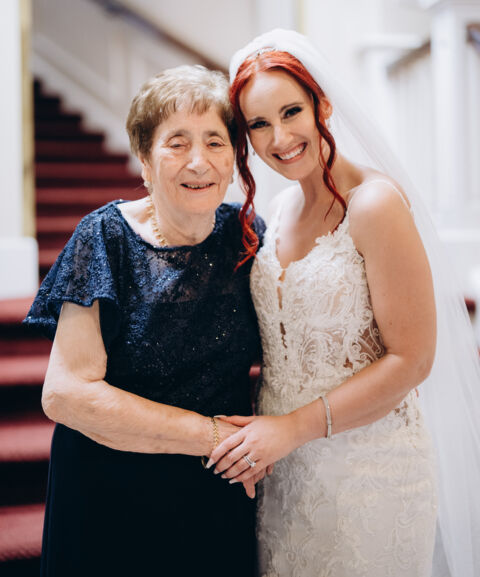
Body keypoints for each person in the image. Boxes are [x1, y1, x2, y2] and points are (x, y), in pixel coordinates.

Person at [207, 29, 480, 577]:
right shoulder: (279, 210)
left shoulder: (375, 205)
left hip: (369, 472)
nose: (280, 137)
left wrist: (291, 428)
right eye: (259, 124)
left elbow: (413, 359)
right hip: (286, 472)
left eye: (292, 112)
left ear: (322, 106)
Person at [24, 65, 266, 577]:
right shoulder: (104, 237)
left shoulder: (247, 236)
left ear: (234, 159)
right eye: (177, 143)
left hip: (215, 494)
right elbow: (65, 394)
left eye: (215, 142)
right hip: (111, 495)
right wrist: (212, 436)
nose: (198, 161)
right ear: (145, 160)